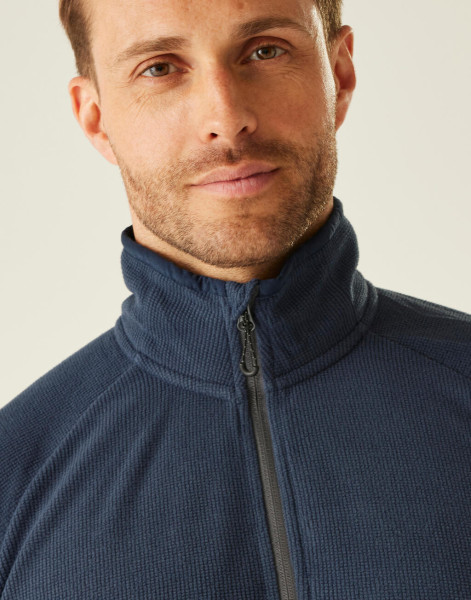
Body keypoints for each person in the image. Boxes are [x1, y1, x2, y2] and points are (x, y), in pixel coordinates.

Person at [0, 0, 470, 597]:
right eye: (159, 68)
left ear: (340, 74)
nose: (226, 117)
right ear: (96, 119)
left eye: (265, 51)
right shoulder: (14, 476)